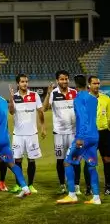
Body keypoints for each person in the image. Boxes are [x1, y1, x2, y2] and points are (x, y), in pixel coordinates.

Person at [57, 74, 100, 205]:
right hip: (94, 136)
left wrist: (80, 137)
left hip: (84, 137)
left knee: (67, 162)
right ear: (86, 85)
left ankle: (72, 195)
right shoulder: (94, 98)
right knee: (92, 166)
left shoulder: (78, 98)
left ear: (75, 86)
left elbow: (83, 118)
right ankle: (96, 197)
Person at [42, 70, 81, 195]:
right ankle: (62, 185)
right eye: (62, 79)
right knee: (60, 160)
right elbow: (44, 108)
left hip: (74, 132)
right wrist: (48, 94)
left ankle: (76, 185)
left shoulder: (75, 93)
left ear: (68, 80)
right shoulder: (53, 93)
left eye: (66, 79)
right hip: (59, 133)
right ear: (57, 80)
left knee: (75, 159)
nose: (64, 81)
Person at [8, 74, 46, 194]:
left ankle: (30, 185)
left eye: (26, 81)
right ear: (18, 83)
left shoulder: (34, 95)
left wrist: (43, 128)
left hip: (32, 134)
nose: (25, 84)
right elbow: (11, 112)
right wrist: (11, 99)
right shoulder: (14, 96)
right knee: (17, 160)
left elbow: (40, 111)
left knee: (31, 160)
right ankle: (18, 185)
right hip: (18, 134)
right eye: (23, 82)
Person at [84, 76, 110, 195]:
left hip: (104, 133)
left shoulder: (106, 99)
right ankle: (89, 187)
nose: (97, 85)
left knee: (107, 160)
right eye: (94, 83)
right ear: (89, 85)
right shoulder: (84, 99)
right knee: (89, 161)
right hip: (90, 134)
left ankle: (108, 187)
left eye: (98, 83)